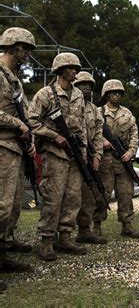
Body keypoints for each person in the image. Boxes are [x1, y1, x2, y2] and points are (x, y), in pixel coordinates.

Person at [29, 52, 88, 260]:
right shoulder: (46, 94)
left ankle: (65, 237)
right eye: (71, 68)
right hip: (54, 153)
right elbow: (33, 122)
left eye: (76, 68)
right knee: (52, 198)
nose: (75, 71)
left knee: (73, 197)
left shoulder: (79, 95)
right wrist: (55, 136)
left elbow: (82, 127)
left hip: (74, 154)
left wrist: (84, 153)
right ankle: (46, 240)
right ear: (61, 70)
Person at [0, 26, 36, 289]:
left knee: (12, 206)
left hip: (14, 148)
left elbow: (24, 115)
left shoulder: (13, 78)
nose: (28, 55)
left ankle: (3, 253)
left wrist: (28, 138)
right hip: (1, 145)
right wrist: (18, 125)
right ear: (12, 47)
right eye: (25, 49)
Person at [97, 79, 139, 238]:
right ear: (106, 94)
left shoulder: (127, 113)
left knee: (126, 194)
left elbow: (135, 135)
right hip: (105, 161)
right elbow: (90, 132)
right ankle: (97, 226)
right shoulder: (98, 112)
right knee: (102, 194)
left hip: (123, 160)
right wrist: (102, 142)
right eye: (113, 92)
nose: (116, 95)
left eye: (119, 92)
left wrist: (131, 152)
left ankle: (127, 225)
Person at [73, 71, 107, 244]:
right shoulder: (69, 104)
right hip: (70, 156)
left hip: (89, 158)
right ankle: (57, 235)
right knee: (66, 196)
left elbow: (99, 135)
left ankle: (84, 230)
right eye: (82, 84)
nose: (86, 87)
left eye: (89, 85)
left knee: (88, 195)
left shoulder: (94, 110)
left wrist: (97, 156)